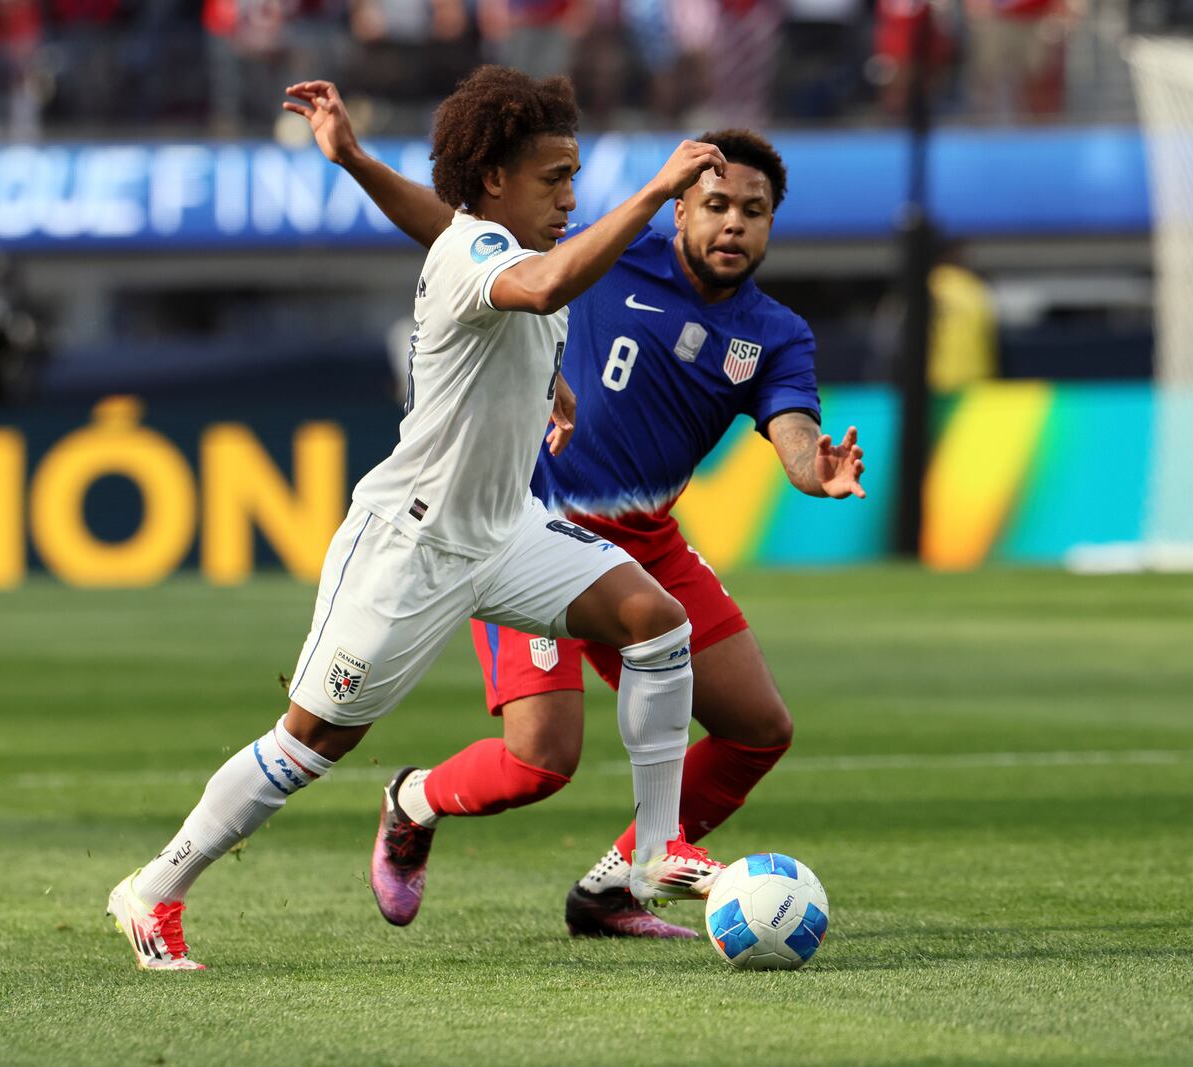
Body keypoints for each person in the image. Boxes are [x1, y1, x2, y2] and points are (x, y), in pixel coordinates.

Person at [107, 66, 730, 971]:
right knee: (312, 742)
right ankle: (155, 888)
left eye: (574, 176)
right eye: (554, 178)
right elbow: (546, 284)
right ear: (494, 182)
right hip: (412, 542)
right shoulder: (486, 253)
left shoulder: (481, 239)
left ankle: (653, 848)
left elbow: (451, 239)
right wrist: (655, 192)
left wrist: (355, 159)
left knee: (653, 620)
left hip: (503, 530)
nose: (569, 194)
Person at [284, 79, 866, 938]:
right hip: (532, 525)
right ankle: (412, 798)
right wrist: (357, 160)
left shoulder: (776, 332)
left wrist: (811, 470)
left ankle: (615, 885)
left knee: (758, 728)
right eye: (716, 203)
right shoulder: (603, 251)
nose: (734, 222)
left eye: (755, 209)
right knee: (541, 762)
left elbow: (792, 427)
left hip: (647, 544)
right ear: (680, 210)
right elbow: (450, 237)